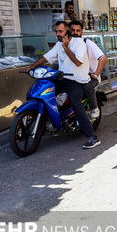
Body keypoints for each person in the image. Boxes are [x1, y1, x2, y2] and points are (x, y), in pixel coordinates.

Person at [26, 21, 100, 149]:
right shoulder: (58, 44)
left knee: (76, 105)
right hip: (62, 77)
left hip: (77, 80)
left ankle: (92, 137)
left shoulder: (79, 44)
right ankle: (49, 121)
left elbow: (77, 62)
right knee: (43, 89)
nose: (58, 34)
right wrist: (32, 67)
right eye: (56, 32)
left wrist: (66, 48)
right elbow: (46, 58)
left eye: (60, 31)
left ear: (68, 32)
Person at [68, 20, 107, 119]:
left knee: (87, 86)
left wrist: (96, 73)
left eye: (78, 30)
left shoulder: (88, 43)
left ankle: (94, 108)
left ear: (81, 32)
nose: (75, 33)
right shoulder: (66, 44)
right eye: (73, 30)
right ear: (68, 31)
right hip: (74, 76)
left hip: (90, 76)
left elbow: (103, 59)